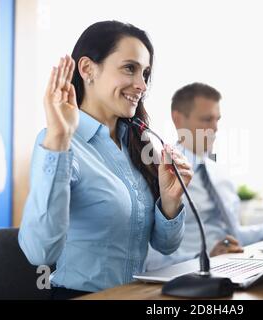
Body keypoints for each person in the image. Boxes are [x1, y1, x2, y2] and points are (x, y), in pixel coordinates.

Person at [18, 21, 193, 299]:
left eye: (145, 73)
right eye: (129, 68)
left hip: (134, 295)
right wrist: (60, 141)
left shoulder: (136, 144)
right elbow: (39, 252)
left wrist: (170, 203)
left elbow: (165, 245)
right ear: (88, 69)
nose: (142, 85)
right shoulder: (57, 141)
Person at [145, 82, 263, 271]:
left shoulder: (220, 176)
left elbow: (235, 236)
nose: (215, 128)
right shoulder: (161, 173)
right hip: (185, 273)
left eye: (217, 120)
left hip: (228, 267)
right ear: (178, 119)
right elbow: (148, 255)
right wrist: (205, 258)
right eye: (207, 119)